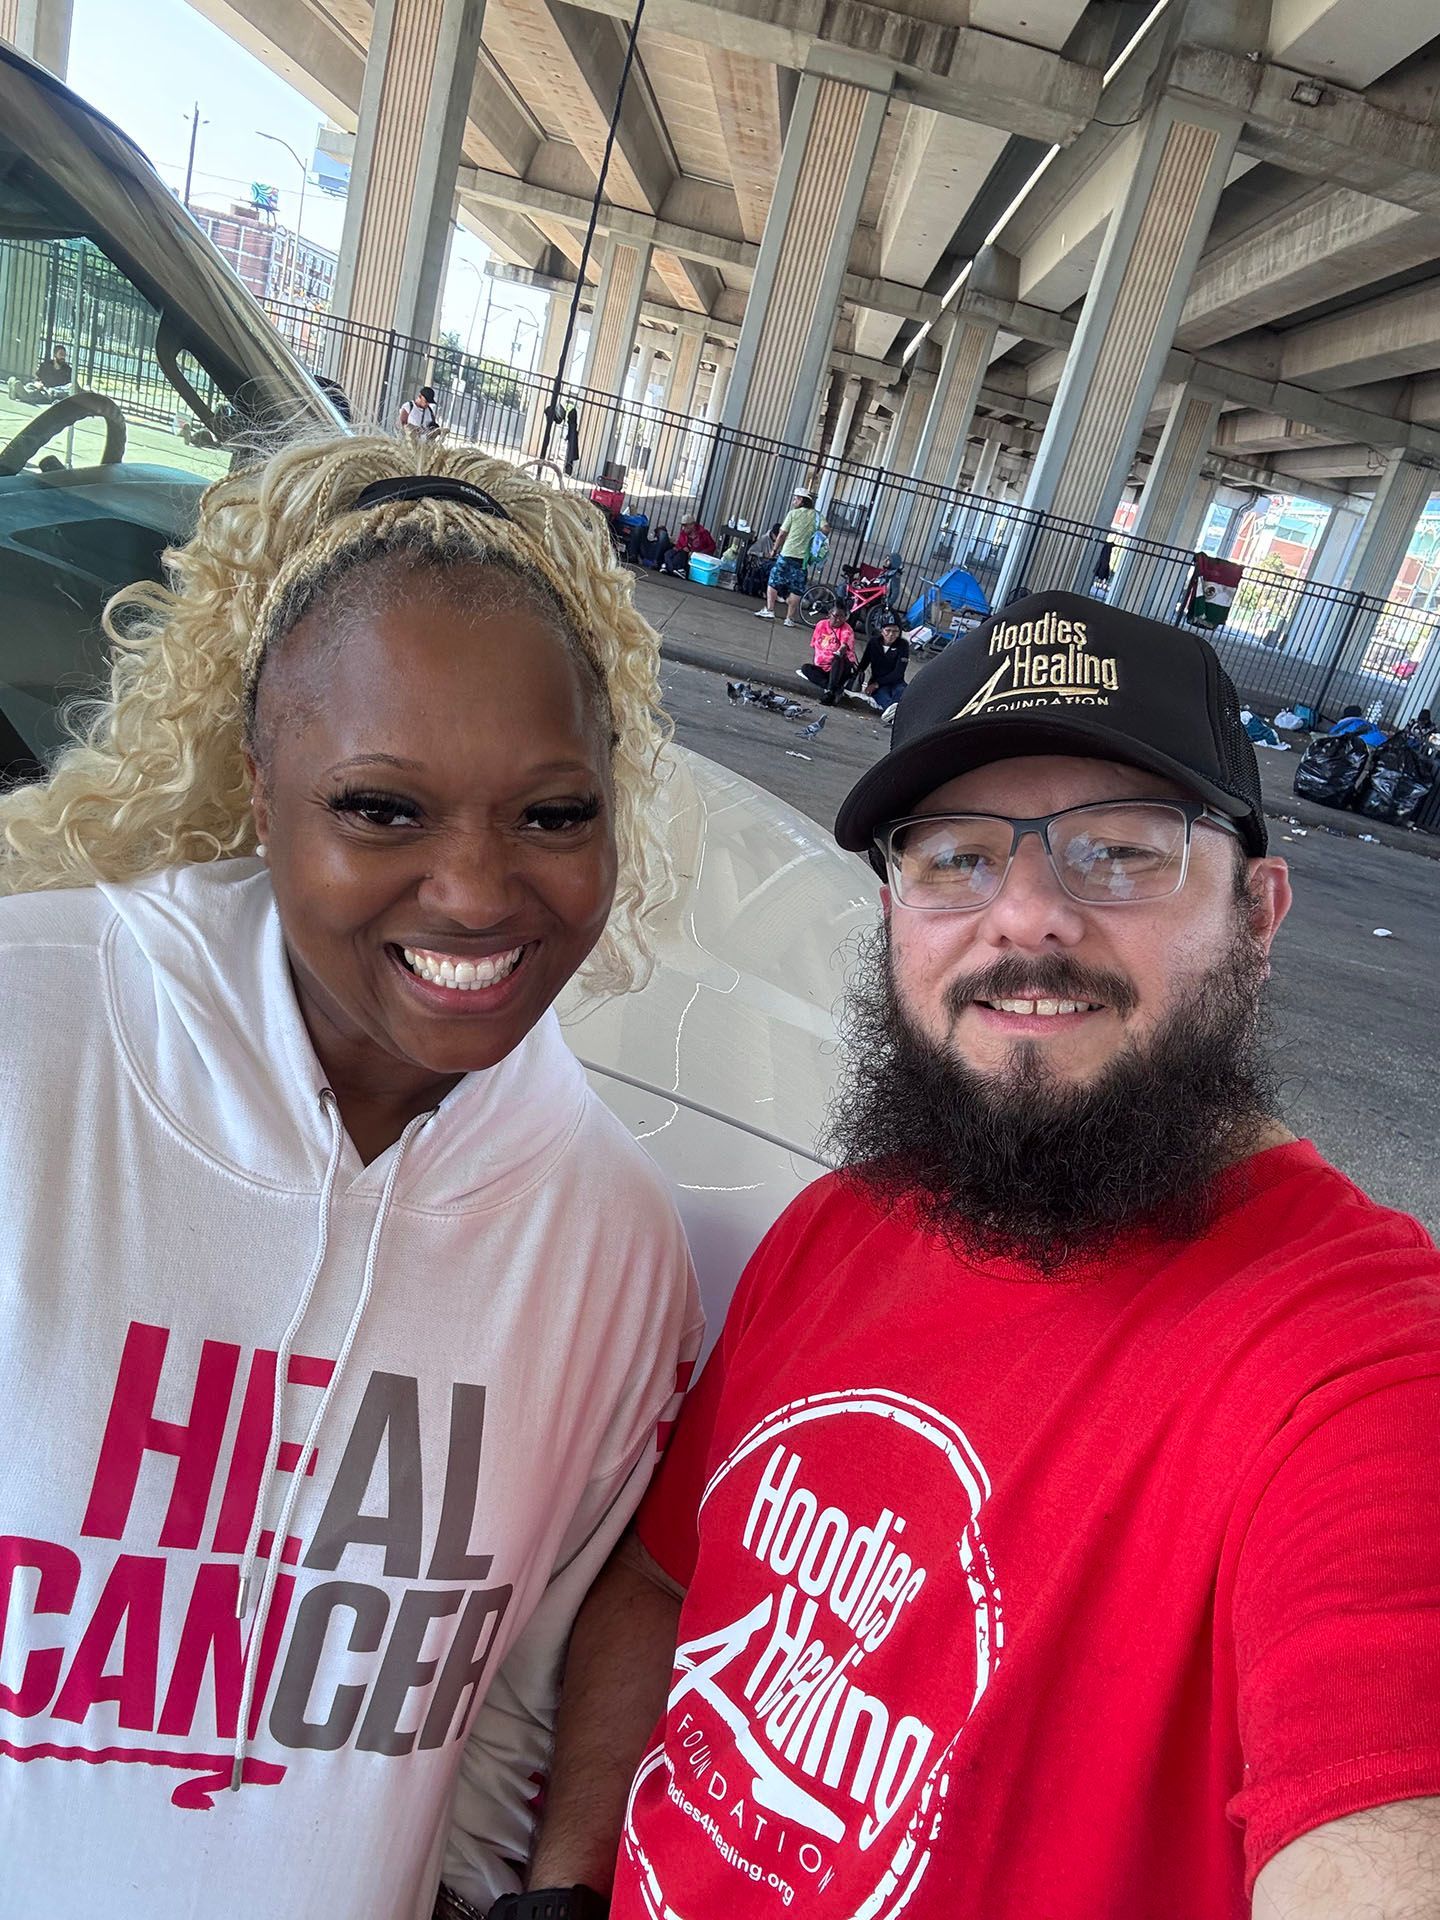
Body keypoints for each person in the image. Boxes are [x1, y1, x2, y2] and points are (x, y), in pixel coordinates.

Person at [527, 591, 1440, 1919]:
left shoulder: (1359, 1366)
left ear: (1260, 913)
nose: (1024, 919)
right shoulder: (842, 1226)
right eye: (955, 856)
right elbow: (666, 1581)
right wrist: (568, 1882)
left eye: (1120, 852)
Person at [0, 435, 703, 1919]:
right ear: (262, 792)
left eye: (552, 814)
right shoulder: (26, 1041)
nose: (472, 890)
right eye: (383, 807)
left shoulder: (613, 1241)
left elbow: (506, 1711)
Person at [755, 489, 819, 628]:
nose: (793, 501)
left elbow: (782, 534)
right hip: (802, 559)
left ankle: (770, 610)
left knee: (774, 580)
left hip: (787, 554)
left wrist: (774, 550)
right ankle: (789, 619)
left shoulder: (793, 514)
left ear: (802, 500)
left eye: (796, 499)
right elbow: (826, 528)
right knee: (796, 588)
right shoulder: (816, 516)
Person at [796, 604, 857, 706]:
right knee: (805, 668)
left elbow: (844, 645)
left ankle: (830, 692)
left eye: (842, 617)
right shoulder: (821, 625)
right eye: (836, 616)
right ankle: (835, 689)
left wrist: (840, 650)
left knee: (837, 659)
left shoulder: (847, 629)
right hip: (823, 667)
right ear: (829, 614)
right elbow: (815, 645)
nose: (838, 620)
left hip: (839, 668)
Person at [853, 607, 909, 718]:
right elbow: (864, 663)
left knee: (902, 694)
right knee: (885, 699)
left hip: (896, 682)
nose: (891, 635)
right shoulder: (874, 643)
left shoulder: (903, 645)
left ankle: (898, 715)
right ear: (882, 631)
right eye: (888, 631)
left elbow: (898, 672)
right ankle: (895, 716)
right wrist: (854, 677)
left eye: (895, 631)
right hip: (877, 684)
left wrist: (877, 684)